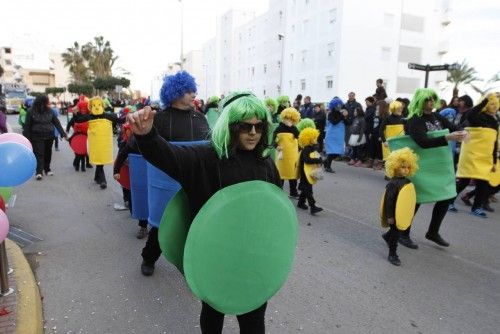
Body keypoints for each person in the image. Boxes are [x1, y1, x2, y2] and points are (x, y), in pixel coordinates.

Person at [129, 91, 282, 334]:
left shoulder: (265, 163)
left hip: (252, 257)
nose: (253, 133)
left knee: (253, 316)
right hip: (215, 256)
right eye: (245, 126)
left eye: (259, 126)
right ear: (230, 126)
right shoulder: (206, 158)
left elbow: (274, 210)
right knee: (213, 311)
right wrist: (147, 135)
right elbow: (168, 156)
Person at [140, 71, 209, 277]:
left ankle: (190, 265)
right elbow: (148, 147)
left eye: (193, 90)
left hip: (194, 182)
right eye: (188, 91)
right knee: (163, 224)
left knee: (192, 225)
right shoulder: (159, 118)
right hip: (166, 182)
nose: (193, 94)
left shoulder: (200, 117)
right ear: (176, 92)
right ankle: (149, 258)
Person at [399, 88, 467, 249]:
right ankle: (403, 233)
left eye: (432, 99)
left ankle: (433, 232)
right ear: (420, 100)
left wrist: (464, 131)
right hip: (420, 167)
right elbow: (422, 142)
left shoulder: (437, 116)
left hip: (438, 167)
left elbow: (453, 127)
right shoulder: (415, 119)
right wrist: (447, 138)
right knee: (416, 199)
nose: (430, 102)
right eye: (427, 99)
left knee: (446, 195)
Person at [450, 95, 499, 217]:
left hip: (485, 157)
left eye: (496, 104)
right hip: (471, 154)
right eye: (492, 104)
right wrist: (484, 101)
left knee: (483, 183)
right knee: (464, 181)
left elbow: (493, 141)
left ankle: (476, 207)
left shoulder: (494, 121)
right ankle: (448, 201)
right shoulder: (477, 116)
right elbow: (470, 115)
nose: (495, 106)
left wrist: (493, 161)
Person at [381, 148, 419, 266]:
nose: (406, 170)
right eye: (403, 167)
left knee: (396, 231)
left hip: (400, 212)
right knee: (396, 233)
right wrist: (390, 216)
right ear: (395, 167)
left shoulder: (407, 181)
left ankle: (387, 236)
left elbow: (406, 200)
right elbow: (389, 201)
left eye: (408, 167)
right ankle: (392, 254)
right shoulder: (393, 184)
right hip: (393, 214)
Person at [23, 95, 67, 180]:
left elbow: (56, 122)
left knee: (48, 153)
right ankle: (39, 172)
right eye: (47, 101)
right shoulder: (31, 111)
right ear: (42, 102)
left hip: (49, 135)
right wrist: (26, 138)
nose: (48, 103)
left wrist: (62, 133)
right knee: (39, 154)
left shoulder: (50, 111)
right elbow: (27, 126)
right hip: (36, 136)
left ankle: (47, 169)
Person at [274, 107, 301, 197]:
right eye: (287, 118)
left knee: (292, 174)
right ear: (283, 118)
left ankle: (293, 192)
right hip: (281, 155)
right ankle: (278, 191)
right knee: (280, 173)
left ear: (294, 120)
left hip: (292, 155)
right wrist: (276, 146)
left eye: (291, 119)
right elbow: (272, 140)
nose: (288, 121)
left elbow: (299, 137)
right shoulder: (279, 128)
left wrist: (292, 128)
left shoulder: (294, 129)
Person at [297, 127, 324, 215]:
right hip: (304, 172)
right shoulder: (307, 149)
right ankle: (313, 206)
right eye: (314, 138)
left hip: (306, 171)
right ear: (309, 139)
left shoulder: (310, 148)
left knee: (306, 188)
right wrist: (318, 160)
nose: (316, 139)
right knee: (308, 189)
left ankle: (301, 202)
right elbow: (307, 160)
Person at [323, 97, 350, 172]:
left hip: (339, 136)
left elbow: (347, 123)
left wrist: (345, 116)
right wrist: (342, 116)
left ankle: (326, 162)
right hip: (332, 135)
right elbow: (334, 122)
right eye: (338, 105)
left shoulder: (340, 113)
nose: (339, 107)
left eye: (340, 105)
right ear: (334, 106)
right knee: (332, 151)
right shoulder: (330, 114)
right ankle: (328, 166)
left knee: (337, 152)